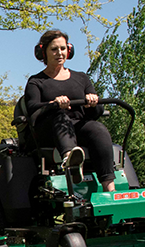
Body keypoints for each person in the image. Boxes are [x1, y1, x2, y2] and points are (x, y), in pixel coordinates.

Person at [24, 29, 116, 192]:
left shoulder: (82, 78)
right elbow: (32, 109)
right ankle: (71, 162)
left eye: (63, 48)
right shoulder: (36, 81)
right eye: (54, 49)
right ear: (43, 52)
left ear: (69, 50)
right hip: (49, 132)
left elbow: (96, 113)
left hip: (77, 128)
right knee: (59, 116)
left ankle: (110, 190)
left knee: (97, 128)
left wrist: (93, 103)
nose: (59, 53)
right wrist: (53, 104)